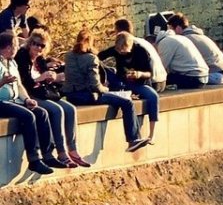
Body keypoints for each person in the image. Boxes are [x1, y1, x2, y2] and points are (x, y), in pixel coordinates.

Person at [0, 31, 68, 173]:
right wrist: (2, 82)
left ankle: (48, 155)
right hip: (2, 102)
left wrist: (27, 99)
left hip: (14, 100)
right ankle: (34, 159)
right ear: (7, 47)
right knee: (28, 116)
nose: (17, 49)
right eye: (15, 46)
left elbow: (19, 85)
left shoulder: (11, 62)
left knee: (41, 113)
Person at [64, 30, 142, 152]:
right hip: (88, 97)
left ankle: (134, 140)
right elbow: (95, 86)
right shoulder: (91, 59)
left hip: (72, 96)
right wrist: (106, 88)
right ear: (91, 42)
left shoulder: (68, 56)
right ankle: (133, 140)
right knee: (127, 102)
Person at [20, 30, 85, 168]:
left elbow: (45, 80)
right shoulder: (22, 57)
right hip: (30, 94)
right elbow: (24, 83)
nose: (38, 48)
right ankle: (61, 153)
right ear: (29, 43)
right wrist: (41, 78)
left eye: (42, 46)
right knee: (56, 111)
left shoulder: (40, 59)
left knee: (70, 108)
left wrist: (53, 77)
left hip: (44, 92)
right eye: (35, 44)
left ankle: (72, 149)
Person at [101, 32, 162, 143]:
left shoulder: (141, 52)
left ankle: (152, 134)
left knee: (153, 96)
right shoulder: (115, 50)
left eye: (124, 51)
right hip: (121, 82)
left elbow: (149, 73)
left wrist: (138, 74)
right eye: (119, 51)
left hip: (139, 83)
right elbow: (98, 57)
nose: (121, 53)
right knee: (109, 71)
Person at [149, 13, 210, 90]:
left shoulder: (165, 42)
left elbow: (161, 68)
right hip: (204, 77)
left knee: (159, 80)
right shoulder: (180, 38)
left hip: (194, 79)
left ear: (154, 42)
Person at [170, 14, 223, 85]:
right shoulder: (199, 36)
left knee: (174, 77)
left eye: (171, 30)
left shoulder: (186, 40)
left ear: (177, 28)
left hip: (214, 75)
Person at [113, 19, 168, 94]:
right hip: (162, 81)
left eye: (115, 31)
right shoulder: (142, 41)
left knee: (117, 83)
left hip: (152, 83)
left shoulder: (130, 44)